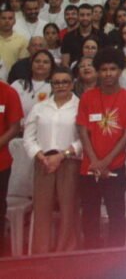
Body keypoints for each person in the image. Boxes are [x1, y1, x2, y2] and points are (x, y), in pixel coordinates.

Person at [75, 46, 126, 248]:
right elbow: (82, 130)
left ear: (120, 70)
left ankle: (115, 259)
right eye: (103, 69)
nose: (108, 73)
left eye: (113, 69)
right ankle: (91, 257)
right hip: (89, 168)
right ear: (97, 72)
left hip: (115, 168)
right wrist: (94, 161)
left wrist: (105, 162)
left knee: (116, 215)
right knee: (89, 216)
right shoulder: (87, 97)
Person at [23, 65, 78, 254]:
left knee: (68, 209)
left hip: (69, 162)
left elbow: (84, 139)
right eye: (56, 82)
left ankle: (66, 252)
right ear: (51, 84)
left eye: (65, 82)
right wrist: (40, 156)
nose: (61, 85)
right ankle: (41, 253)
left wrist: (63, 155)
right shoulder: (40, 107)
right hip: (43, 162)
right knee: (42, 210)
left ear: (72, 84)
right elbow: (28, 138)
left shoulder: (80, 106)